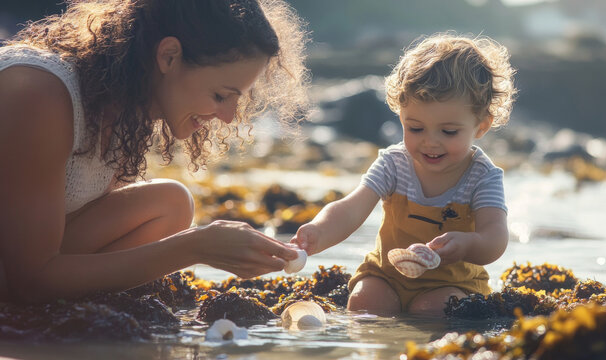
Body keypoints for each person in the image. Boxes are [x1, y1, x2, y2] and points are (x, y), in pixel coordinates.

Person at [0, 0, 309, 302]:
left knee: (170, 205)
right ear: (169, 56)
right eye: (219, 95)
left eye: (235, 99)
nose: (228, 117)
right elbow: (27, 279)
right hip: (19, 277)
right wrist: (194, 247)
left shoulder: (122, 102)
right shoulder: (37, 93)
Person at [291, 33, 516, 316]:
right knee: (364, 303)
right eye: (415, 128)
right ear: (401, 116)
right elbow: (351, 209)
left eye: (448, 132)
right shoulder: (394, 164)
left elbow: (495, 238)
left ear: (481, 126)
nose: (430, 142)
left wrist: (468, 244)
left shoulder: (482, 176)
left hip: (453, 283)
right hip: (386, 275)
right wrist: (318, 230)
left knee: (434, 310)